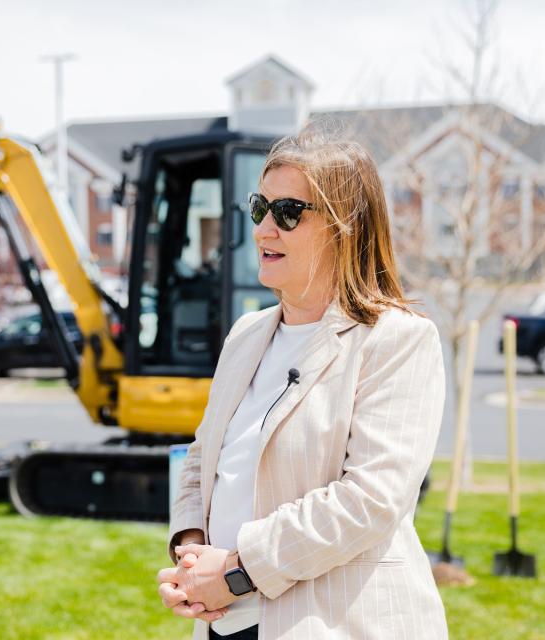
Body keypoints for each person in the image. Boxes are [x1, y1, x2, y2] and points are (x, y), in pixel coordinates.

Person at [156, 121, 448, 639]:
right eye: (259, 208)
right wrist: (191, 555)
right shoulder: (247, 334)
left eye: (289, 213)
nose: (265, 229)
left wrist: (236, 573)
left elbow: (370, 501)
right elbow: (204, 456)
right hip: (225, 626)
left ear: (346, 227)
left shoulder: (397, 341)